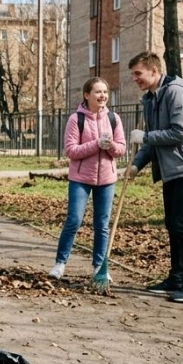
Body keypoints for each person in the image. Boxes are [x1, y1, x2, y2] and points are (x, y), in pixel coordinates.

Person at [125, 51, 183, 303]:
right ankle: (176, 277)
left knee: (182, 223)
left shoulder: (175, 92)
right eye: (133, 74)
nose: (135, 78)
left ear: (154, 71)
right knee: (172, 223)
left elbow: (180, 132)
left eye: (138, 73)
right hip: (171, 170)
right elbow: (152, 141)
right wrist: (136, 166)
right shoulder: (152, 99)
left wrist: (146, 137)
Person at [49, 78, 126, 280]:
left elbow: (121, 149)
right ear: (86, 95)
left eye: (105, 92)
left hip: (107, 179)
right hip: (81, 179)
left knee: (102, 224)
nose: (102, 96)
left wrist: (110, 146)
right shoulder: (76, 119)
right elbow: (71, 150)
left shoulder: (113, 118)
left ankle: (99, 268)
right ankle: (60, 264)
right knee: (74, 220)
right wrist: (96, 144)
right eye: (98, 92)